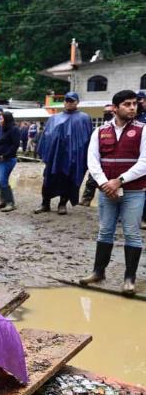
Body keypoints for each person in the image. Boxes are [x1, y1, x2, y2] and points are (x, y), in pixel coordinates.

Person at [80, 90, 145, 295]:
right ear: (115, 108)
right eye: (127, 104)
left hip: (134, 191)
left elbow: (145, 162)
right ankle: (98, 272)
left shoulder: (143, 130)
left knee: (132, 234)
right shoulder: (99, 131)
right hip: (107, 190)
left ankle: (129, 279)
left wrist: (119, 181)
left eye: (134, 103)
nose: (133, 107)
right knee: (105, 231)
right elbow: (92, 160)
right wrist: (104, 184)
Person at [35, 92, 93, 215]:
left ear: (77, 102)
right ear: (64, 102)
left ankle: (62, 204)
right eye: (67, 100)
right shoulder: (54, 118)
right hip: (55, 156)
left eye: (72, 101)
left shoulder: (84, 118)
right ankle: (45, 203)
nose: (69, 103)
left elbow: (87, 138)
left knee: (68, 180)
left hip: (73, 156)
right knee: (48, 180)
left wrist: (84, 155)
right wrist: (45, 151)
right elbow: (46, 136)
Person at [81, 104, 115, 206]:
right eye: (105, 112)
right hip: (99, 158)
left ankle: (111, 203)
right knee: (91, 180)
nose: (107, 114)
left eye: (110, 111)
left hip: (112, 160)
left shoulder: (118, 127)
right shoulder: (100, 128)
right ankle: (86, 199)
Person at [0, 111, 21, 212]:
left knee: (2, 180)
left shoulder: (14, 129)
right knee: (0, 179)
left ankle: (10, 203)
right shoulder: (2, 129)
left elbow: (15, 145)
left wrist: (5, 155)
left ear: (6, 119)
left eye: (1, 118)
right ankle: (3, 201)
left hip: (8, 159)